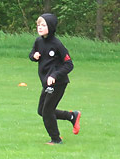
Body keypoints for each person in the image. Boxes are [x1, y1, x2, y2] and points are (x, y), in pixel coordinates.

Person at [29, 13, 81, 145]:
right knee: (41, 111)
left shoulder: (57, 44)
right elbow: (31, 54)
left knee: (47, 111)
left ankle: (56, 139)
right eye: (38, 25)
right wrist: (33, 56)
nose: (40, 28)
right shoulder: (38, 41)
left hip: (58, 83)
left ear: (50, 27)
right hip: (46, 82)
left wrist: (54, 75)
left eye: (43, 25)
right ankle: (71, 116)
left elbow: (69, 64)